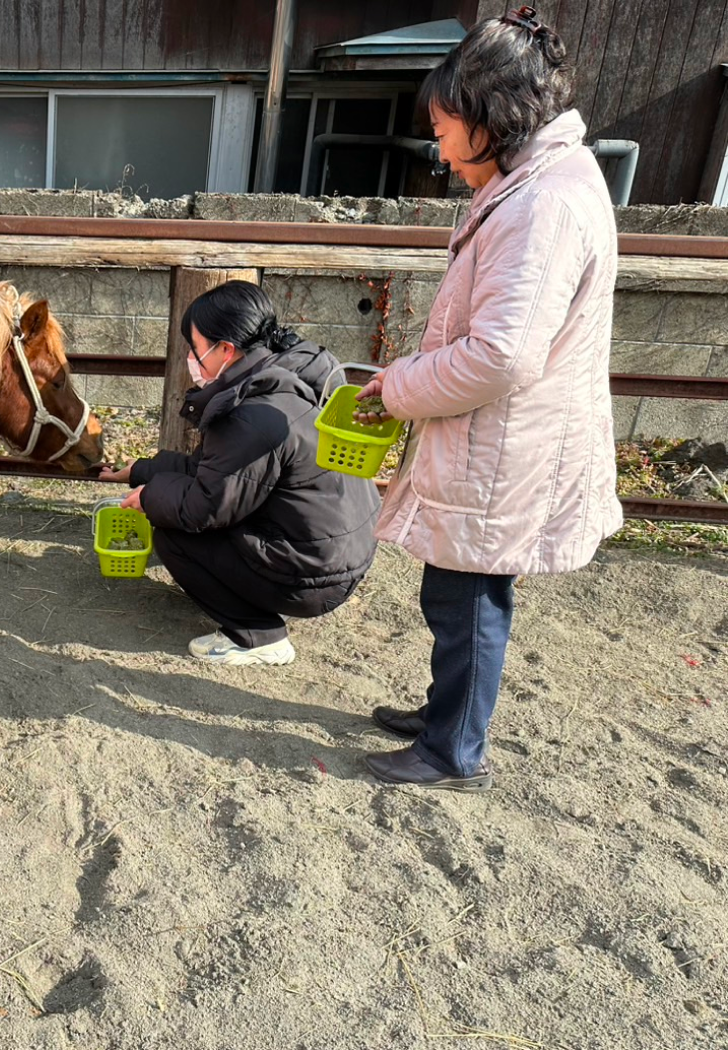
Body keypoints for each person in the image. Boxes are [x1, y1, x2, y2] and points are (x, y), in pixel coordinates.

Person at [355, 7, 622, 791]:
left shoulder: (542, 204)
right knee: (460, 590)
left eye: (444, 130)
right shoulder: (534, 183)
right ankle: (447, 718)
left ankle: (451, 750)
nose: (439, 151)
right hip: (500, 437)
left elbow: (502, 354)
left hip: (509, 440)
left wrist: (401, 387)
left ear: (490, 118)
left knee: (468, 597)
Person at [98, 281, 380, 666]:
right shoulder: (285, 378)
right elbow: (220, 472)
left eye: (195, 348)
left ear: (225, 350)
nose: (191, 358)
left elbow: (204, 506)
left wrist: (148, 498)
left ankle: (257, 636)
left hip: (313, 581)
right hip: (337, 556)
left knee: (175, 534)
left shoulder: (249, 414)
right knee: (180, 506)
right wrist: (142, 471)